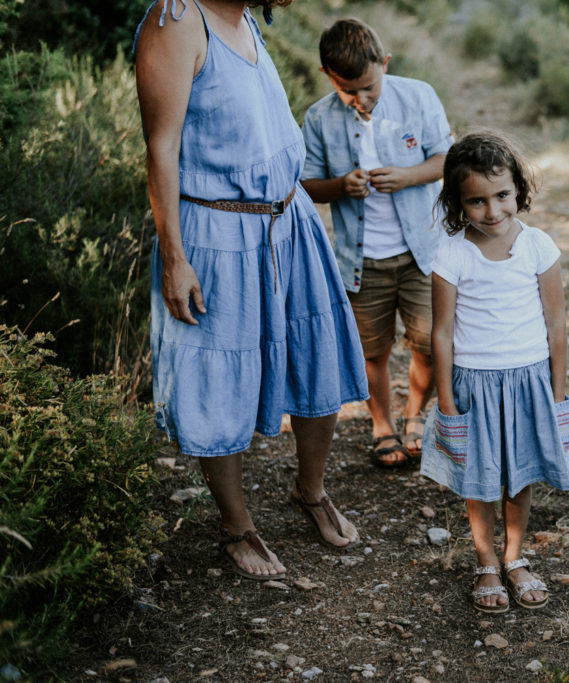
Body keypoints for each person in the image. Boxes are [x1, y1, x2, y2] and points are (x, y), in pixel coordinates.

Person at [134, 0, 369, 581]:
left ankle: (309, 491)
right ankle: (236, 526)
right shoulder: (176, 21)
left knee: (318, 356)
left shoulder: (246, 20)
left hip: (290, 218)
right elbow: (160, 147)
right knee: (221, 376)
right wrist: (174, 257)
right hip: (217, 231)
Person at [419, 131, 569, 613]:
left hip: (529, 384)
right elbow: (442, 333)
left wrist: (557, 392)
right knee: (480, 479)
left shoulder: (537, 246)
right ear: (458, 202)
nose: (493, 211)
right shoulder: (452, 253)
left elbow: (556, 325)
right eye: (477, 201)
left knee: (520, 477)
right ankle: (486, 561)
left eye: (502, 196)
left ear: (518, 190)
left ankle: (514, 556)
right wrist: (445, 399)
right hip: (475, 386)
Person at [300, 18, 453, 468]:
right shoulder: (317, 118)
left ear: (384, 64)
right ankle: (381, 424)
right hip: (361, 260)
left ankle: (415, 414)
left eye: (369, 87)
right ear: (329, 76)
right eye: (350, 91)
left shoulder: (418, 96)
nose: (361, 99)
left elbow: (446, 158)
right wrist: (339, 186)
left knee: (427, 342)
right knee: (373, 349)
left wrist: (407, 176)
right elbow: (306, 185)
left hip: (423, 251)